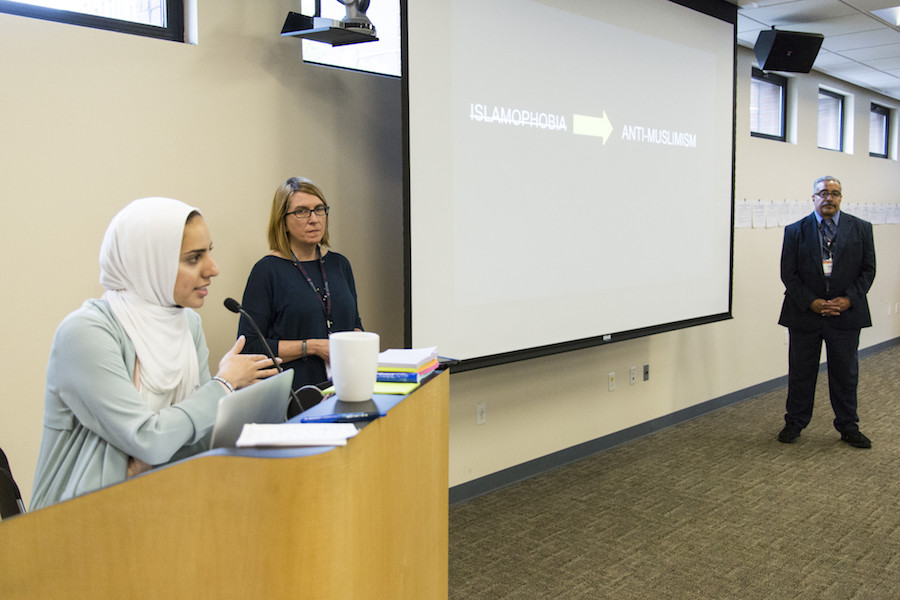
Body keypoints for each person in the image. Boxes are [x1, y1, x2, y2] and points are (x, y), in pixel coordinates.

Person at [31, 198, 280, 510]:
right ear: (147, 263)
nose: (213, 269)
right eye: (193, 259)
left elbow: (196, 436)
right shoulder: (85, 333)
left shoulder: (187, 322)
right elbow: (149, 440)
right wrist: (223, 386)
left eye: (209, 252)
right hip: (76, 522)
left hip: (161, 498)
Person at [238, 177, 363, 392]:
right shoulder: (267, 271)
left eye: (319, 209)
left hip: (344, 386)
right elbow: (249, 346)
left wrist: (358, 339)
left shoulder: (340, 264)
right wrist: (312, 347)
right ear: (282, 221)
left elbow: (354, 323)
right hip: (293, 395)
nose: (314, 219)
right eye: (302, 211)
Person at [777, 176, 876, 449]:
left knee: (845, 373)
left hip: (846, 314)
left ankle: (848, 426)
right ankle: (794, 423)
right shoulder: (795, 231)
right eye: (823, 193)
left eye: (835, 193)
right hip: (805, 313)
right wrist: (812, 301)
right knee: (801, 371)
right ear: (813, 198)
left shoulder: (862, 229)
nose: (829, 198)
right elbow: (789, 273)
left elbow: (868, 271)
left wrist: (848, 300)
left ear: (841, 198)